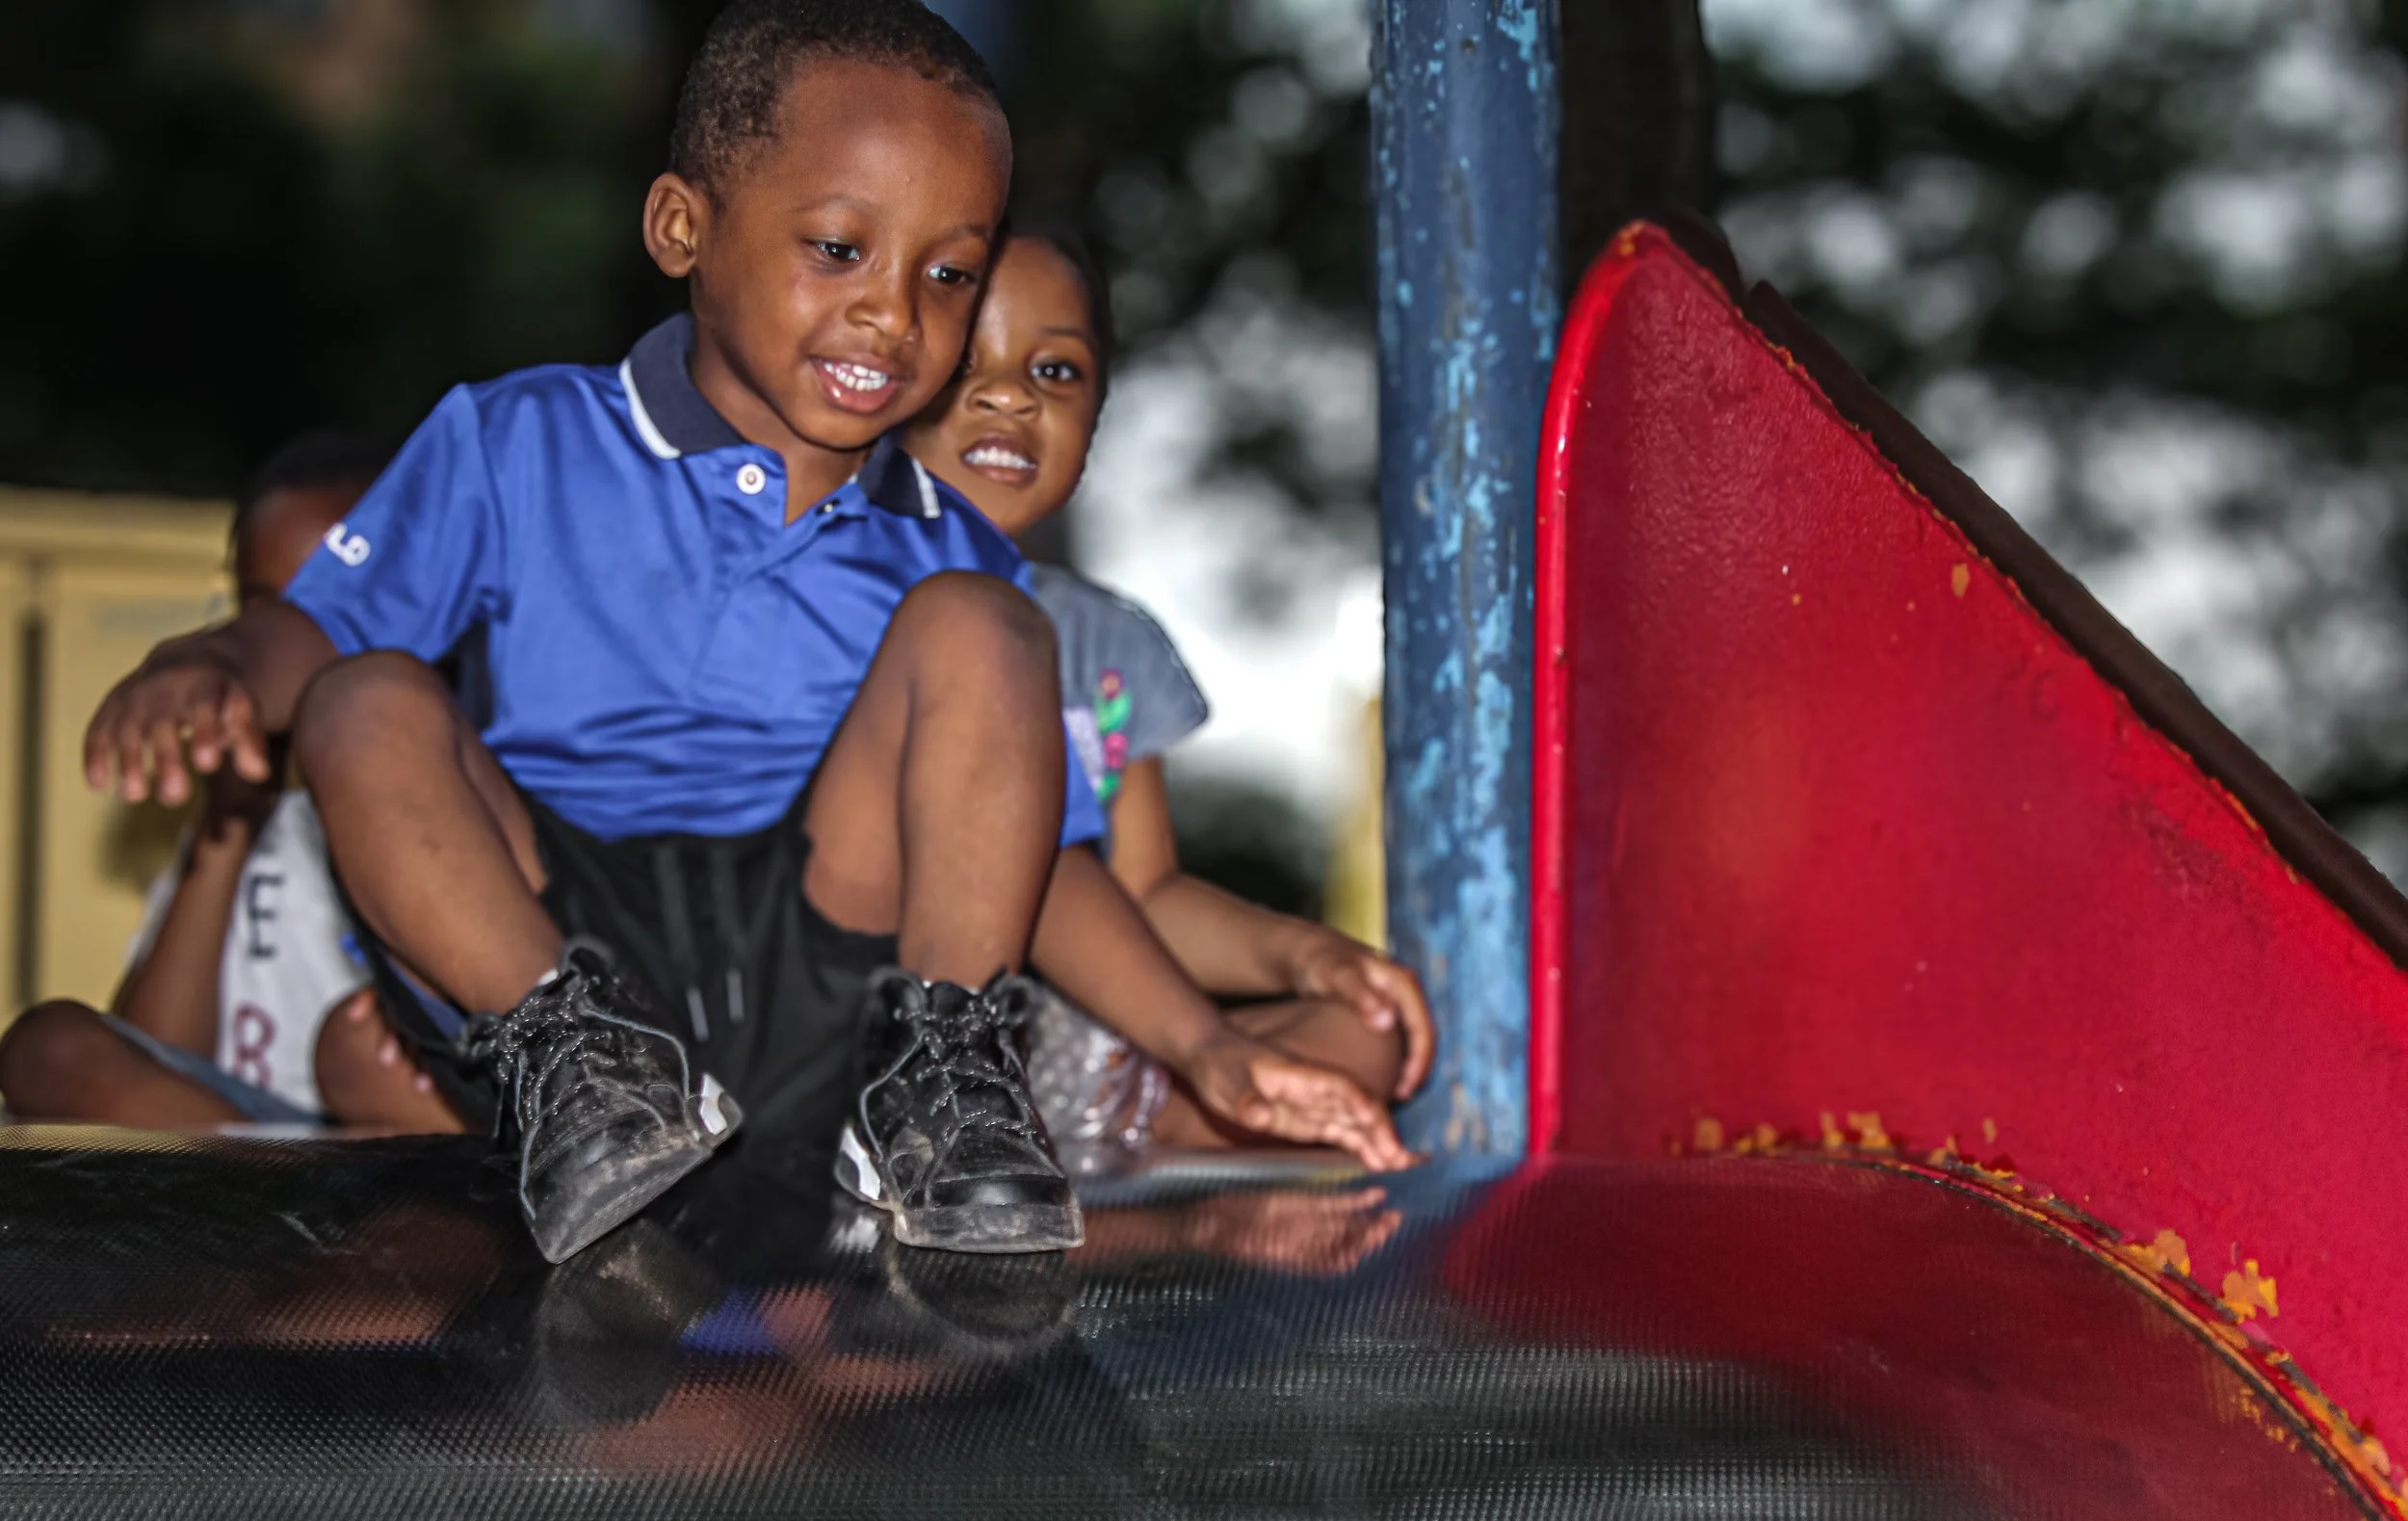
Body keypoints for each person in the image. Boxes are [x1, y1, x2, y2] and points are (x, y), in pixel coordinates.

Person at [80, 0, 1408, 1267]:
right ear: (681, 227)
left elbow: (1048, 864)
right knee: (364, 699)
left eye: (946, 274)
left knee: (986, 628)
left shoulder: (948, 545)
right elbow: (317, 634)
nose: (894, 313)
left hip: (820, 973)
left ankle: (935, 1077)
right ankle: (577, 1071)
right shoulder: (516, 438)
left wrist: (1201, 1041)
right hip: (563, 945)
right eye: (839, 249)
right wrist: (212, 666)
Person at [902, 226, 1434, 1171]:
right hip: (900, 1022)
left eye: (1055, 372)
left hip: (1079, 1037)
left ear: (1098, 413)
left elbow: (1143, 891)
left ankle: (1087, 1135)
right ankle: (1006, 1151)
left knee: (1365, 1035)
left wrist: (1300, 956)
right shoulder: (843, 605)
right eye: (962, 364)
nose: (1009, 394)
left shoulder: (1105, 641)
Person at [0, 433, 439, 1131]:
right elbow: (155, 1050)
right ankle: (268, 1190)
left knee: (362, 1056)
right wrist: (226, 827)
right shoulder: (252, 799)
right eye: (267, 612)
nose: (299, 645)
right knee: (48, 1045)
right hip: (240, 1140)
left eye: (333, 613)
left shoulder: (456, 769)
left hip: (396, 1143)